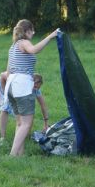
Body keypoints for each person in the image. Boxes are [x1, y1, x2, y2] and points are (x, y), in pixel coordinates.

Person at [5, 19, 58, 156]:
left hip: (11, 86)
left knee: (20, 123)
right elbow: (34, 49)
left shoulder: (13, 46)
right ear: (27, 31)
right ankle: (12, 155)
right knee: (27, 124)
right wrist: (50, 37)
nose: (33, 33)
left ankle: (20, 154)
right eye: (32, 31)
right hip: (22, 86)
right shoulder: (24, 42)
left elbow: (8, 70)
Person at [0, 71, 49, 143]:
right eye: (35, 87)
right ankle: (2, 137)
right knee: (5, 108)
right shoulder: (21, 84)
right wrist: (5, 93)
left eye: (38, 88)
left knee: (28, 112)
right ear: (32, 82)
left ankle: (24, 135)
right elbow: (2, 75)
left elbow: (43, 105)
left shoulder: (36, 89)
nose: (36, 89)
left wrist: (46, 122)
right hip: (6, 84)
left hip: (18, 90)